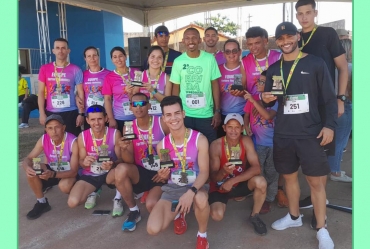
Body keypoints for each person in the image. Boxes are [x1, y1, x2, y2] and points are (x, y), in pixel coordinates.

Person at [262, 22, 336, 249]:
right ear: (277, 41)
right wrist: (267, 98)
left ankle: (322, 228)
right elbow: (274, 98)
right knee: (290, 178)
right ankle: (294, 217)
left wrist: (330, 126)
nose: (286, 41)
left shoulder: (315, 63)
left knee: (315, 182)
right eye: (281, 38)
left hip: (310, 133)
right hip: (284, 133)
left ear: (297, 37)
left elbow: (329, 98)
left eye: (289, 36)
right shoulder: (274, 69)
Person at [295, 0, 348, 220]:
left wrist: (340, 98)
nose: (304, 17)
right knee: (308, 156)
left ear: (315, 13)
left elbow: (343, 67)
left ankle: (321, 207)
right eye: (300, 14)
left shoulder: (327, 34)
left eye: (308, 13)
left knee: (322, 155)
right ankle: (318, 199)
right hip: (302, 107)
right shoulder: (295, 38)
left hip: (325, 105)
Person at [147, 96, 211, 249]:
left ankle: (202, 236)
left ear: (183, 113)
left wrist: (191, 192)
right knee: (153, 228)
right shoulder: (162, 144)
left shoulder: (199, 139)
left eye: (176, 113)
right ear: (163, 118)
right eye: (168, 115)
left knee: (201, 198)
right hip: (173, 188)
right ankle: (178, 213)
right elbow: (167, 171)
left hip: (196, 186)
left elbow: (205, 172)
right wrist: (164, 175)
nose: (173, 118)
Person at [114, 92, 169, 231]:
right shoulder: (128, 127)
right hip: (141, 172)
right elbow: (129, 160)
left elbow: (173, 147)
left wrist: (166, 171)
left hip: (160, 172)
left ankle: (165, 198)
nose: (138, 107)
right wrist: (124, 149)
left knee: (152, 205)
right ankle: (134, 211)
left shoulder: (161, 122)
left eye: (142, 104)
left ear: (149, 106)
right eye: (134, 104)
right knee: (120, 169)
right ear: (131, 107)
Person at [209, 113, 268, 236]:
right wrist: (224, 172)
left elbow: (257, 168)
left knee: (261, 181)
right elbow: (213, 177)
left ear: (242, 128)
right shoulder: (215, 145)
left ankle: (254, 216)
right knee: (217, 215)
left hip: (237, 184)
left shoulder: (246, 141)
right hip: (221, 186)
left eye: (237, 127)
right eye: (230, 127)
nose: (233, 131)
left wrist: (232, 181)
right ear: (224, 128)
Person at [67, 105, 124, 217]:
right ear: (87, 120)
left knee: (122, 171)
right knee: (73, 202)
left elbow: (122, 159)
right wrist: (85, 162)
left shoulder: (115, 133)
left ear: (106, 118)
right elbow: (81, 161)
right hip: (91, 173)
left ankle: (118, 197)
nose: (96, 123)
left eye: (100, 119)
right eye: (93, 119)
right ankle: (94, 190)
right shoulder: (82, 136)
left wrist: (112, 165)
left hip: (110, 173)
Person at [22, 114, 79, 220]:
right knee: (32, 170)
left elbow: (74, 171)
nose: (54, 131)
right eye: (50, 128)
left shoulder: (73, 141)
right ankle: (42, 202)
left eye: (57, 127)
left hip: (69, 172)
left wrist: (53, 174)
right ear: (46, 130)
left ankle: (80, 191)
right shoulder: (44, 139)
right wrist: (27, 168)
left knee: (65, 186)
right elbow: (28, 159)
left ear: (63, 127)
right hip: (52, 170)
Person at [171, 28, 222, 145]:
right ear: (183, 41)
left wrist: (217, 111)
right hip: (185, 114)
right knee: (187, 148)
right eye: (187, 38)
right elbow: (176, 88)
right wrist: (176, 111)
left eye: (194, 37)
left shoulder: (209, 59)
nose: (191, 41)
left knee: (211, 147)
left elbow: (215, 85)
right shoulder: (178, 61)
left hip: (206, 115)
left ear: (199, 40)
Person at [243, 70, 279, 214]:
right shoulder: (253, 98)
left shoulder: (276, 100)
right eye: (258, 81)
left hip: (272, 144)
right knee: (259, 171)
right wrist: (246, 126)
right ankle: (259, 196)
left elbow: (268, 116)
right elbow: (246, 115)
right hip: (257, 143)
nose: (258, 84)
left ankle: (269, 199)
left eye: (262, 82)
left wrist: (253, 101)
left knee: (272, 172)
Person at [37, 38, 85, 137]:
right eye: (57, 48)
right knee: (53, 142)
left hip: (71, 112)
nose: (60, 51)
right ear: (53, 50)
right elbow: (41, 92)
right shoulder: (44, 69)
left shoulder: (76, 69)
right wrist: (42, 113)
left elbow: (81, 92)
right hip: (51, 112)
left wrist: (81, 114)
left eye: (63, 48)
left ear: (68, 51)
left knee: (73, 142)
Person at [328, 38, 352, 183]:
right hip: (344, 104)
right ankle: (335, 171)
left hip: (332, 104)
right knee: (341, 141)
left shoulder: (330, 66)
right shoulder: (348, 67)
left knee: (334, 140)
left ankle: (334, 169)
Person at [102, 46, 138, 133]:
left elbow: (140, 94)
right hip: (119, 118)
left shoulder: (136, 72)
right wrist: (111, 119)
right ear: (112, 60)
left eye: (121, 56)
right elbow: (107, 99)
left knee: (136, 144)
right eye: (115, 57)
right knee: (123, 144)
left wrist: (132, 93)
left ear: (126, 57)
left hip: (137, 116)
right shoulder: (109, 77)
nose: (118, 59)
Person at [217, 39, 246, 138]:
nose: (231, 54)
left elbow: (248, 90)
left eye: (234, 51)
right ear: (224, 54)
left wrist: (240, 93)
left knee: (240, 145)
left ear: (239, 52)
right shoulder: (218, 69)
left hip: (241, 113)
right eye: (228, 51)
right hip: (223, 114)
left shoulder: (244, 67)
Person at [241, 26, 281, 96]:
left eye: (257, 43)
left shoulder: (278, 57)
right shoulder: (244, 62)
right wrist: (237, 91)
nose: (253, 47)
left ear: (265, 41)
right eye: (250, 44)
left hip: (275, 103)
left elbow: (280, 87)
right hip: (254, 103)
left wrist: (267, 88)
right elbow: (242, 89)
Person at [82, 46, 110, 130]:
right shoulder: (82, 75)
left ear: (98, 56)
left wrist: (109, 114)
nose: (92, 58)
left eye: (94, 55)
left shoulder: (108, 74)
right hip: (89, 115)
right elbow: (79, 93)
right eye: (89, 56)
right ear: (85, 59)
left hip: (104, 114)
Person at [139, 46, 172, 116]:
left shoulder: (166, 78)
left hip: (161, 117)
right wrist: (129, 92)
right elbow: (134, 98)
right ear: (148, 58)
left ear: (163, 60)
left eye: (159, 57)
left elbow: (167, 102)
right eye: (152, 56)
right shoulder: (140, 76)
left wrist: (153, 90)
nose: (155, 60)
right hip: (143, 117)